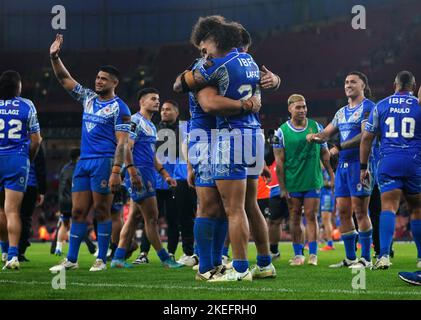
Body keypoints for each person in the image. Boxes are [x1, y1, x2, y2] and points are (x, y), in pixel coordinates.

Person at [48, 34, 134, 272]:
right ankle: (71, 260)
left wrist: (117, 171)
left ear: (114, 82)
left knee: (101, 210)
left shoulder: (121, 108)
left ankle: (100, 259)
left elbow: (123, 143)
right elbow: (64, 78)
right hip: (84, 162)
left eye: (103, 79)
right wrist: (55, 57)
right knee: (77, 211)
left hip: (105, 163)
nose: (98, 81)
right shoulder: (88, 98)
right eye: (97, 77)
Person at [308, 71, 375, 269]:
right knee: (344, 212)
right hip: (343, 167)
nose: (348, 85)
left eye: (353, 82)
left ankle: (366, 259)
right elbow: (326, 133)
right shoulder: (341, 112)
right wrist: (314, 136)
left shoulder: (368, 108)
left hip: (360, 165)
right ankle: (350, 258)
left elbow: (365, 136)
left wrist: (340, 147)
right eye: (346, 82)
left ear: (363, 85)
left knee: (361, 212)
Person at [110, 88, 183, 269]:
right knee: (152, 218)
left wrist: (165, 175)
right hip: (139, 173)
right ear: (142, 102)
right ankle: (165, 259)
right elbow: (127, 147)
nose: (157, 102)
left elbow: (152, 155)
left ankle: (118, 258)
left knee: (134, 217)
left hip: (148, 172)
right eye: (153, 99)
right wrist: (133, 172)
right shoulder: (135, 121)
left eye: (158, 99)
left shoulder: (150, 125)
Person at [360, 71, 421, 270]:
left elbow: (367, 138)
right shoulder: (418, 105)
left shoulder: (381, 105)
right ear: (413, 86)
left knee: (388, 208)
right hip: (414, 162)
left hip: (389, 161)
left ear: (395, 84)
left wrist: (363, 166)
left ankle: (384, 256)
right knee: (417, 210)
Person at [273, 94, 334, 266]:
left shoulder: (316, 126)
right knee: (293, 217)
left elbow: (325, 154)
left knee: (311, 215)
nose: (302, 110)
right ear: (290, 108)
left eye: (304, 107)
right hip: (292, 182)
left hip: (312, 180)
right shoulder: (280, 132)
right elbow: (279, 163)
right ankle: (298, 254)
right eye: (298, 107)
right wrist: (283, 187)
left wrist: (331, 173)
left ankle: (313, 255)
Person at [0, 70, 42, 270]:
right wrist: (28, 158)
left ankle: (4, 251)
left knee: (0, 210)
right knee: (13, 211)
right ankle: (14, 255)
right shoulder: (27, 105)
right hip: (17, 160)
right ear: (18, 86)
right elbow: (36, 140)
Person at [51, 148, 96, 256]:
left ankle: (58, 248)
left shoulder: (64, 168)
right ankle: (83, 249)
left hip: (62, 200)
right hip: (73, 199)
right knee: (78, 223)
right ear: (78, 157)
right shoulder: (78, 168)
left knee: (64, 224)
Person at [18, 144, 47, 262]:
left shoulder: (13, 140)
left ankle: (8, 251)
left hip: (13, 184)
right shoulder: (36, 144)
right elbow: (41, 169)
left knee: (10, 215)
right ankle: (20, 251)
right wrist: (42, 191)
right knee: (25, 219)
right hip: (30, 185)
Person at [320, 164, 335, 251]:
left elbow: (331, 183)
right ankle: (328, 242)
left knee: (326, 219)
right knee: (324, 220)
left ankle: (330, 244)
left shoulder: (328, 170)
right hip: (322, 195)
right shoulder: (321, 171)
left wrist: (325, 182)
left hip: (327, 195)